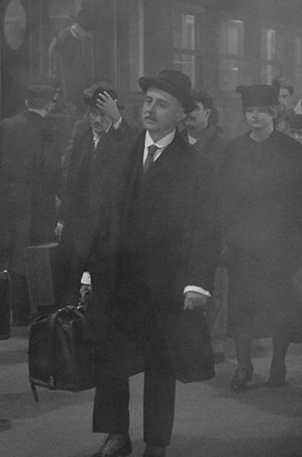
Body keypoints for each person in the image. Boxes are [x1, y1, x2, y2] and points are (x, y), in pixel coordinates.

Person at [78, 69, 220, 457]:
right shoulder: (119, 152)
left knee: (161, 367)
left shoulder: (196, 166)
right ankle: (116, 435)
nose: (150, 110)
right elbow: (100, 217)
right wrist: (89, 270)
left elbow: (207, 229)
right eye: (147, 101)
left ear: (181, 114)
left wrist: (197, 282)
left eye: (162, 104)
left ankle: (156, 443)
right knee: (110, 362)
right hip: (115, 279)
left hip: (164, 285)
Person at [218, 84, 302, 393]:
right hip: (244, 243)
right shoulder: (234, 149)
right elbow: (223, 197)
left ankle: (278, 365)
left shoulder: (290, 149)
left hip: (281, 242)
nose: (255, 116)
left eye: (261, 111)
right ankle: (244, 367)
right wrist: (225, 235)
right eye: (250, 111)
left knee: (280, 306)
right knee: (242, 306)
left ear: (273, 113)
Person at [0, 81, 63, 325]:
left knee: (5, 254)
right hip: (35, 203)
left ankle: (2, 312)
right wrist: (62, 197)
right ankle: (29, 311)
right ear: (48, 105)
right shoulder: (50, 129)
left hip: (5, 200)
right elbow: (52, 169)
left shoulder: (5, 125)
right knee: (32, 255)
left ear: (27, 103)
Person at [54, 82, 136, 306]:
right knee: (72, 277)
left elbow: (134, 145)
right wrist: (62, 218)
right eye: (92, 114)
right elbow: (72, 182)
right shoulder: (82, 139)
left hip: (108, 224)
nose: (96, 120)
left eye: (102, 114)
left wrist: (117, 118)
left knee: (103, 282)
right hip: (79, 223)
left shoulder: (124, 140)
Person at [182, 89, 229, 363]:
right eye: (186, 108)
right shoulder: (174, 143)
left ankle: (216, 343)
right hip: (180, 226)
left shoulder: (223, 147)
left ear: (208, 112)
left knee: (217, 286)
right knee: (184, 284)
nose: (189, 114)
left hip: (213, 224)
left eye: (195, 108)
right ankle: (188, 341)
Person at [48, 10, 94, 114]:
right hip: (66, 89)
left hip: (75, 86)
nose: (86, 36)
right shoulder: (63, 38)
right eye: (85, 34)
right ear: (77, 28)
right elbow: (58, 69)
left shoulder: (76, 38)